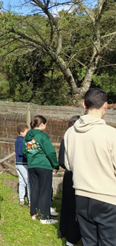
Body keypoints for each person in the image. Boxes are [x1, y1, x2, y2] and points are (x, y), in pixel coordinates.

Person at [64, 88, 116, 245]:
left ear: (84, 105)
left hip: (81, 196)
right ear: (105, 106)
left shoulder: (70, 133)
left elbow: (68, 165)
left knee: (89, 242)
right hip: (107, 198)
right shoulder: (111, 134)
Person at [23, 115, 59, 224]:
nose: (46, 126)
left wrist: (31, 157)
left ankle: (33, 213)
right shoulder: (43, 136)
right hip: (44, 165)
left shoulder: (27, 137)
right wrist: (55, 165)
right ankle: (44, 217)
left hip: (32, 165)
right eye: (45, 124)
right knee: (45, 191)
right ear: (42, 124)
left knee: (34, 189)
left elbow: (24, 151)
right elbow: (50, 152)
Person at [58, 115, 81, 246]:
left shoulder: (65, 138)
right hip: (78, 175)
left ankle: (64, 231)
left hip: (68, 174)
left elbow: (61, 161)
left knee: (67, 205)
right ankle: (73, 236)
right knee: (75, 207)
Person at [15, 123, 30, 206]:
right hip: (22, 163)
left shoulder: (17, 140)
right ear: (21, 132)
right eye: (26, 132)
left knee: (22, 182)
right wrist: (28, 153)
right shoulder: (22, 141)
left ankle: (21, 200)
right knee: (28, 181)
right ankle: (31, 201)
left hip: (18, 163)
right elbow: (21, 152)